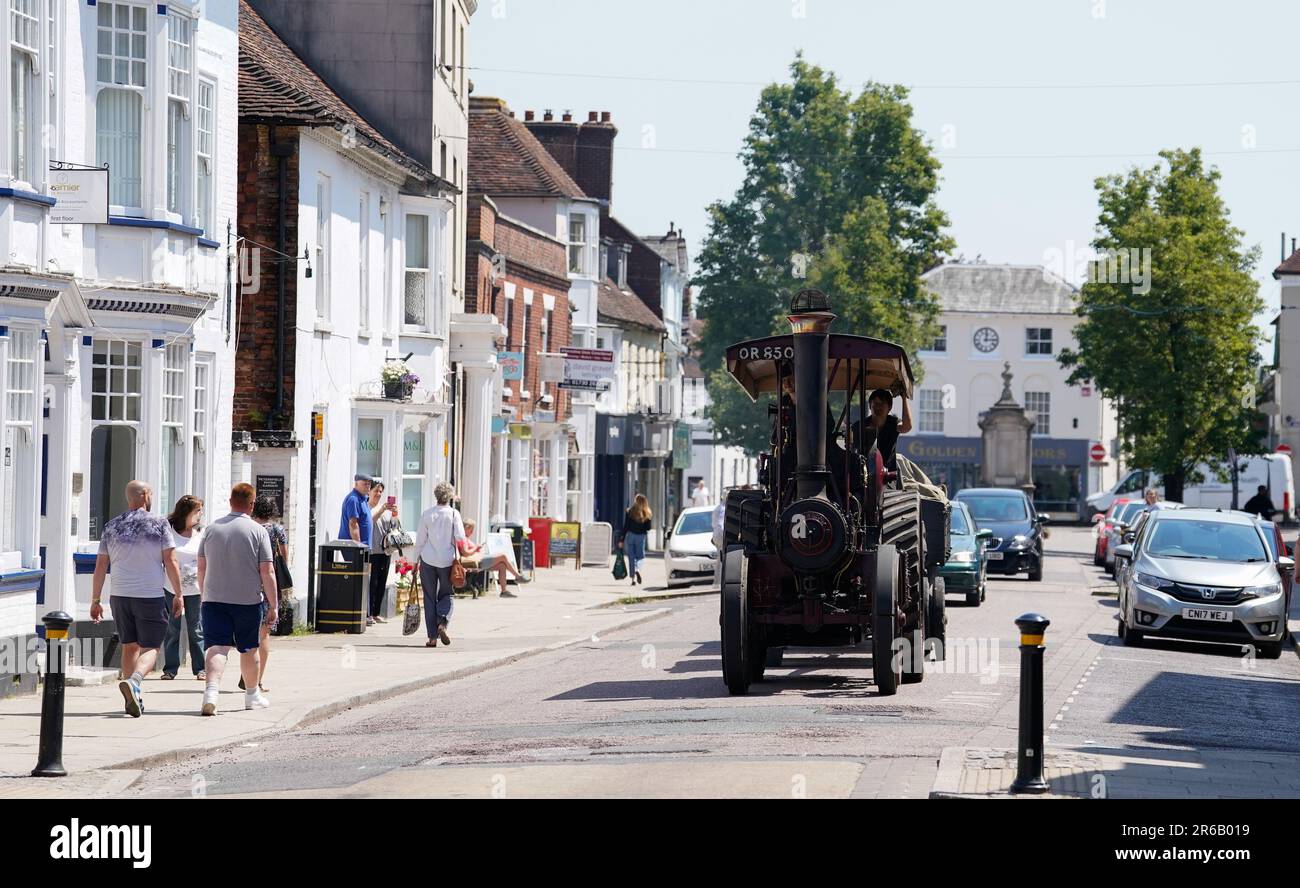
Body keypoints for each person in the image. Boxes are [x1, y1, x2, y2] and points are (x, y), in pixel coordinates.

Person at [91, 481, 184, 718]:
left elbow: (101, 565)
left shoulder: (111, 526)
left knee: (129, 645)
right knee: (151, 647)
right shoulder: (159, 524)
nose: (152, 496)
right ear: (144, 495)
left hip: (119, 595)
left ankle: (133, 697)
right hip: (149, 595)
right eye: (151, 492)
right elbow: (171, 561)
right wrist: (179, 593)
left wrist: (95, 599)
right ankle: (134, 681)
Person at [198, 483, 277, 715]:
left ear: (230, 501)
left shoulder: (211, 529)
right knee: (249, 648)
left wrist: (205, 594)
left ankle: (211, 693)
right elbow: (267, 571)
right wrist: (273, 604)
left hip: (214, 599)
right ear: (251, 504)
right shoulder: (258, 531)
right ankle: (252, 696)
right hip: (247, 601)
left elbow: (201, 567)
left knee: (216, 647)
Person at [415, 482, 465, 648]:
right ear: (449, 496)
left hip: (428, 560)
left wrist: (415, 561)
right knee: (446, 594)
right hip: (447, 560)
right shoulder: (453, 514)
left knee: (429, 597)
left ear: (436, 496)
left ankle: (432, 638)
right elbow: (460, 538)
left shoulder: (427, 514)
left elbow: (420, 540)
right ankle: (442, 623)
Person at [162, 495, 206, 681]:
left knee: (196, 629)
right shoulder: (169, 531)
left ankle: (200, 668)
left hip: (195, 589)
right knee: (172, 628)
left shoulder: (202, 533)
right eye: (197, 511)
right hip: (171, 587)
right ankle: (170, 668)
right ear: (186, 513)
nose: (200, 515)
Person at [246, 496, 286, 693]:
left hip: (248, 583)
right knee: (264, 634)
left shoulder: (249, 528)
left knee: (248, 630)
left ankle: (248, 673)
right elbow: (284, 558)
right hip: (268, 584)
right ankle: (257, 679)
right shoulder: (277, 530)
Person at [458, 518, 530, 597]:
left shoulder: (465, 538)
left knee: (502, 565)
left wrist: (476, 548)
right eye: (471, 530)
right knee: (503, 556)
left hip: (477, 560)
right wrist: (476, 548)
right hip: (475, 562)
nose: (472, 532)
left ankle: (504, 591)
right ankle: (517, 576)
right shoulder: (463, 539)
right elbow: (465, 553)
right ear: (466, 528)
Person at [856, 388, 912, 470]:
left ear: (889, 407)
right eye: (875, 403)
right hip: (863, 472)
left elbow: (906, 427)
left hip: (888, 474)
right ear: (870, 406)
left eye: (882, 403)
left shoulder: (893, 423)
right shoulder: (859, 426)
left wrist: (904, 398)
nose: (878, 407)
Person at [367, 482, 398, 625]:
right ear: (369, 491)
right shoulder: (367, 507)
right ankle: (369, 614)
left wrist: (394, 515)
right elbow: (369, 522)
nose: (378, 494)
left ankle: (376, 613)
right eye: (376, 491)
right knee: (372, 582)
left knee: (381, 582)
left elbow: (393, 527)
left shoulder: (384, 509)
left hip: (385, 550)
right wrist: (381, 510)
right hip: (372, 550)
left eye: (380, 491)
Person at [619, 493, 653, 586]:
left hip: (630, 536)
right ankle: (638, 569)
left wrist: (621, 539)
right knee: (640, 557)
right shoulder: (647, 513)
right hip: (641, 537)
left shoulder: (629, 511)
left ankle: (633, 579)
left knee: (631, 557)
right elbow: (648, 528)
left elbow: (626, 526)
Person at [339, 472, 374, 546]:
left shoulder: (363, 498)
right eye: (365, 484)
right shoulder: (354, 499)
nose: (368, 486)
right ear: (356, 484)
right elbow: (353, 524)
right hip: (353, 546)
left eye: (369, 484)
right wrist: (359, 547)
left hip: (362, 546)